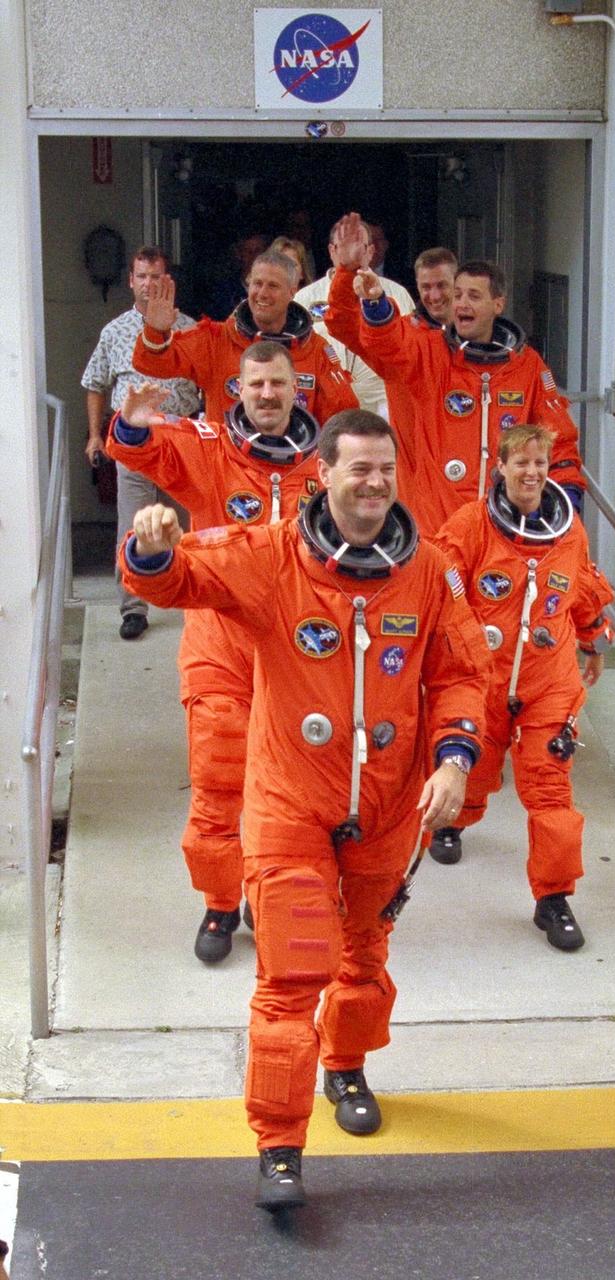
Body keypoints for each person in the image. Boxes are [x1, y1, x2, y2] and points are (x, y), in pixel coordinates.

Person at [120, 410, 490, 1211]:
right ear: (323, 475)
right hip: (290, 802)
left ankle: (346, 1066)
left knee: (364, 962)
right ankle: (280, 1145)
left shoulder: (427, 571)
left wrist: (454, 758)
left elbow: (462, 672)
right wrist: (152, 548)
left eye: (385, 469)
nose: (375, 483)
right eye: (359, 469)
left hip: (386, 808)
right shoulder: (273, 556)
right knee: (291, 975)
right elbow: (178, 579)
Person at [106, 341, 325, 964]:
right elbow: (144, 447)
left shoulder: (326, 465)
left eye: (277, 384)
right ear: (239, 390)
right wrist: (132, 423)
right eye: (255, 384)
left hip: (301, 657)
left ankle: (269, 888)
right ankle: (221, 902)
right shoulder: (212, 448)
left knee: (298, 796)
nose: (267, 395)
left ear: (297, 389)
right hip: (221, 650)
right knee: (219, 782)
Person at [432, 425, 613, 949]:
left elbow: (581, 587)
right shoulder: (470, 525)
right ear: (501, 468)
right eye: (521, 463)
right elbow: (438, 590)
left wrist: (593, 639)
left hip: (547, 682)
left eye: (540, 463)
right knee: (476, 769)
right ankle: (454, 821)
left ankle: (553, 898)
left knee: (551, 790)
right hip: (482, 679)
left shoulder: (568, 530)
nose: (532, 473)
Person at [326, 212, 585, 536]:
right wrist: (360, 285)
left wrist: (566, 500)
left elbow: (556, 439)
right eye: (457, 294)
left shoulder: (525, 365)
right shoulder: (423, 350)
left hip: (504, 529)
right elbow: (374, 337)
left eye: (471, 296)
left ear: (498, 304)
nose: (456, 302)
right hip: (434, 523)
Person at [81, 245, 200, 639]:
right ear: (131, 281)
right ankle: (133, 607)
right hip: (133, 443)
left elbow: (210, 387)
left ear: (168, 281)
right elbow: (95, 384)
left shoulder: (190, 329)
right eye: (142, 276)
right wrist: (95, 435)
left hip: (179, 441)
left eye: (156, 276)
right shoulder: (114, 331)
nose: (149, 284)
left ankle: (190, 601)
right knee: (133, 523)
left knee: (182, 524)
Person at [132, 249, 357, 424]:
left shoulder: (315, 349)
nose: (262, 293)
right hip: (227, 464)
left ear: (292, 292)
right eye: (257, 284)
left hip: (293, 464)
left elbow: (342, 416)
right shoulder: (216, 339)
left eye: (273, 286)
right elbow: (150, 363)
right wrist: (155, 330)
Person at [295, 218, 415, 420]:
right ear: (332, 251)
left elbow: (409, 356)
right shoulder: (304, 298)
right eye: (345, 247)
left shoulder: (398, 294)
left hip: (382, 408)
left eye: (359, 247)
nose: (352, 254)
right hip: (325, 408)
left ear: (370, 251)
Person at [413, 246, 458, 328]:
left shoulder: (478, 329)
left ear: (457, 282)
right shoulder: (404, 333)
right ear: (418, 286)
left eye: (442, 285)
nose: (435, 297)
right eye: (426, 287)